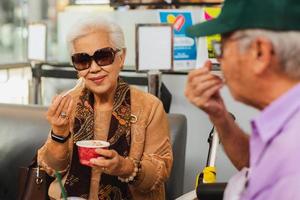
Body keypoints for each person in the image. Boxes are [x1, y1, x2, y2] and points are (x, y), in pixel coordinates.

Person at [38, 16, 173, 200]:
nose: (93, 68)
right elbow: (53, 170)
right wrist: (58, 134)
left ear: (121, 57)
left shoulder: (149, 107)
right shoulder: (68, 103)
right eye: (82, 60)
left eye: (103, 56)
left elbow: (159, 173)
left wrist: (125, 167)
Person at [185, 0, 300, 199]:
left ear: (260, 53)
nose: (218, 62)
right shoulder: (286, 122)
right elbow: (258, 165)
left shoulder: (293, 158)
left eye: (221, 49)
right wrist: (220, 117)